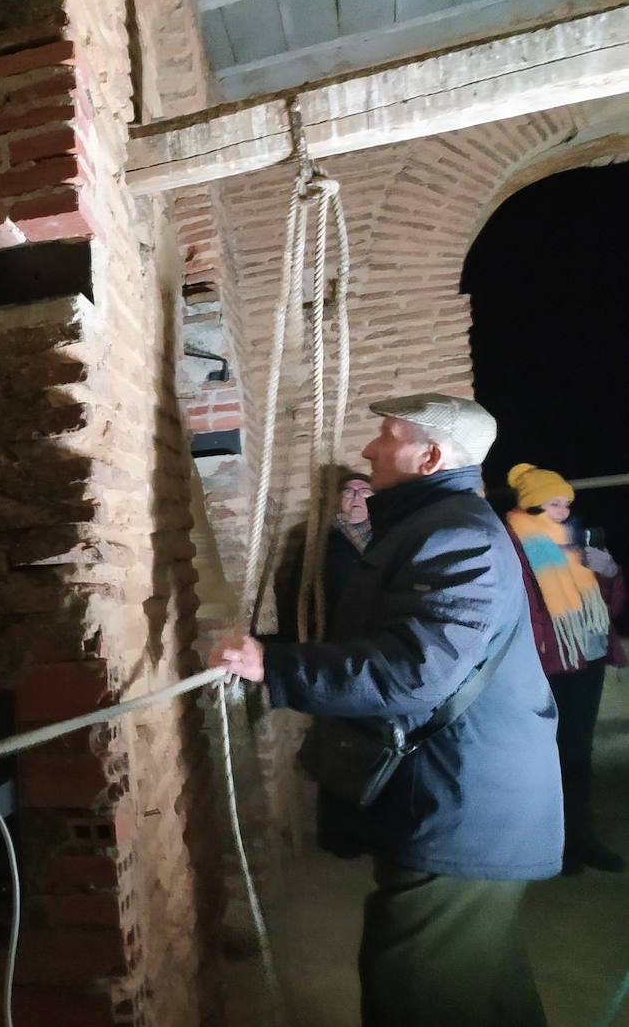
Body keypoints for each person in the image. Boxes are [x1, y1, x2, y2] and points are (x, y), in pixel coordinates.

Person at [214, 393, 561, 1027]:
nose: (370, 449)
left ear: (429, 456)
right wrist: (281, 654)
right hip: (468, 793)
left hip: (467, 802)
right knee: (480, 982)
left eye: (387, 436)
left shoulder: (457, 534)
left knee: (414, 991)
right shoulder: (432, 527)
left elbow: (415, 670)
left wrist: (277, 668)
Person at [504, 462, 626, 874]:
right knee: (545, 754)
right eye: (554, 503)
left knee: (577, 751)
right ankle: (551, 846)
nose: (563, 511)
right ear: (533, 503)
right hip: (547, 663)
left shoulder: (572, 540)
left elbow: (608, 605)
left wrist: (608, 572)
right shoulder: (514, 542)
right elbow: (520, 606)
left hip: (586, 657)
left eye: (567, 503)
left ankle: (581, 838)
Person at [275, 472, 375, 642]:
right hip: (334, 631)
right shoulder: (319, 540)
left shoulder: (388, 535)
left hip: (378, 628)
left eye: (365, 492)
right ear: (338, 500)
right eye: (348, 492)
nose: (356, 497)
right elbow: (298, 591)